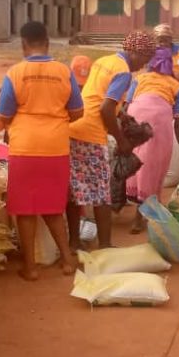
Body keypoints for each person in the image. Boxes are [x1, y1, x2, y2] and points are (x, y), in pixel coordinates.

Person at [0, 22, 84, 280]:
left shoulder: (15, 73)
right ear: (47, 42)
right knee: (53, 206)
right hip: (56, 147)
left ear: (24, 44)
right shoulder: (63, 72)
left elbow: (3, 114)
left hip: (24, 147)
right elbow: (78, 110)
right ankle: (68, 260)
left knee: (25, 209)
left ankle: (31, 268)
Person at [67, 31, 156, 249]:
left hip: (73, 127)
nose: (143, 65)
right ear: (136, 52)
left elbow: (99, 96)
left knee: (74, 189)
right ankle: (105, 246)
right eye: (145, 59)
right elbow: (105, 107)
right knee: (101, 193)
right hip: (91, 133)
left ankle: (74, 242)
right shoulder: (124, 72)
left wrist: (121, 114)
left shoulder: (104, 61)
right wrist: (121, 140)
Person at [124, 47, 179, 233]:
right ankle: (141, 217)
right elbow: (178, 122)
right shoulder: (176, 86)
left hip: (135, 116)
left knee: (136, 164)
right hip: (160, 121)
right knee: (154, 167)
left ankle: (138, 210)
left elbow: (127, 105)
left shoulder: (139, 79)